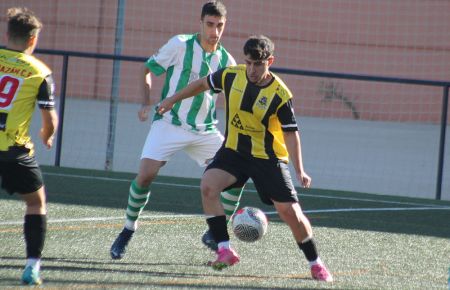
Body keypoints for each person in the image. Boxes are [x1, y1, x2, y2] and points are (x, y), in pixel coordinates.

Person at [157, 35, 333, 282]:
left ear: (269, 61)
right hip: (235, 152)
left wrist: (300, 170)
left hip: (268, 158)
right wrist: (171, 100)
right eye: (248, 63)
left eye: (258, 64)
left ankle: (316, 263)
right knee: (208, 185)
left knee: (290, 212)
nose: (252, 69)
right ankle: (224, 250)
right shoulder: (231, 75)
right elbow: (200, 85)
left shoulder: (280, 94)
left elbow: (291, 134)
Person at [110, 0, 244, 259]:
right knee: (146, 175)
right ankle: (127, 230)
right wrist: (145, 102)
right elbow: (147, 68)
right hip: (169, 122)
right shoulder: (180, 45)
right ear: (201, 22)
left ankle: (215, 233)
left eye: (220, 26)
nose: (214, 31)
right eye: (210, 24)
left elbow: (231, 101)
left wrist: (233, 133)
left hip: (205, 130)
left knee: (236, 175)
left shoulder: (227, 60)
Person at [0, 7, 58, 285]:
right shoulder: (39, 71)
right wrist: (47, 135)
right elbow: (49, 118)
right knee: (36, 203)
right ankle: (32, 266)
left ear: (7, 34)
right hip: (15, 152)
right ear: (33, 40)